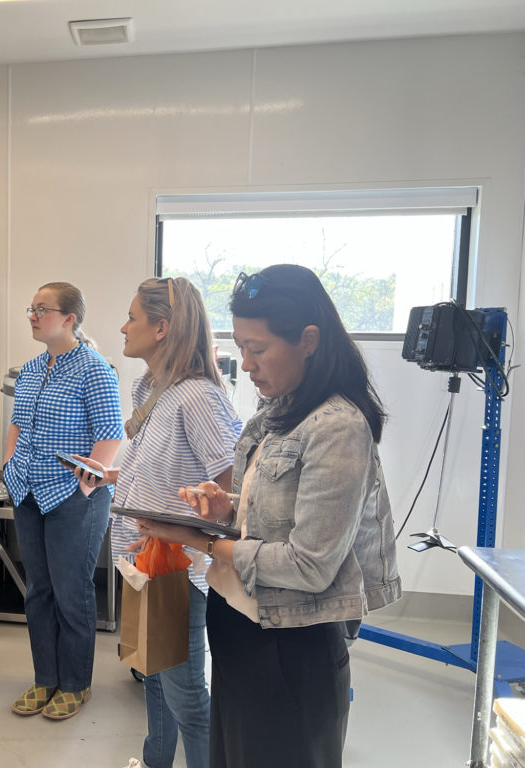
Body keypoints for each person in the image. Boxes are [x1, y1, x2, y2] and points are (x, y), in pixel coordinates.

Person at [136, 265, 402, 767]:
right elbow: (277, 510)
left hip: (292, 645)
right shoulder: (276, 413)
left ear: (308, 340)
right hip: (240, 625)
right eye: (240, 347)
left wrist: (202, 540)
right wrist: (226, 510)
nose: (247, 364)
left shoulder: (338, 426)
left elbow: (311, 563)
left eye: (258, 349)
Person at [75, 277, 241, 768]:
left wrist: (189, 527)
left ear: (162, 327)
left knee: (186, 693)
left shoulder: (198, 397)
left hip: (176, 566)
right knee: (152, 672)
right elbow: (169, 465)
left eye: (132, 318)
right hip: (142, 561)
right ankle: (155, 761)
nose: (123, 327)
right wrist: (116, 476)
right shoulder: (154, 388)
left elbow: (228, 492)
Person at [3, 281, 124, 720]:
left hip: (74, 496)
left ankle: (75, 684)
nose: (33, 316)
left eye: (43, 309)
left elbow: (110, 434)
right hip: (28, 490)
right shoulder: (33, 368)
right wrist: (9, 463)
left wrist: (87, 483)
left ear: (70, 319)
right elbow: (17, 424)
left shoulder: (95, 369)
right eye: (31, 309)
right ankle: (45, 679)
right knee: (38, 591)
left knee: (72, 592)